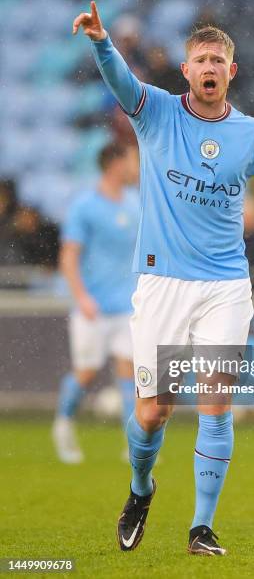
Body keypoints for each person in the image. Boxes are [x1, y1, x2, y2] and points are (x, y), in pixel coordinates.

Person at [72, 1, 254, 556]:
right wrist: (102, 41)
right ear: (186, 70)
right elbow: (120, 79)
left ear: (231, 71)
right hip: (162, 284)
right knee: (153, 411)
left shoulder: (250, 136)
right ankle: (140, 489)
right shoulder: (153, 111)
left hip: (225, 285)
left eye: (217, 60)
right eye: (199, 58)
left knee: (217, 403)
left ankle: (201, 528)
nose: (208, 66)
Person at [52, 142, 140, 463]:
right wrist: (81, 297)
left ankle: (134, 443)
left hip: (128, 306)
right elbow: (68, 256)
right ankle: (63, 424)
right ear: (115, 164)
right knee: (86, 373)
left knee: (130, 372)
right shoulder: (85, 206)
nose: (136, 167)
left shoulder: (135, 202)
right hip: (94, 307)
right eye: (132, 161)